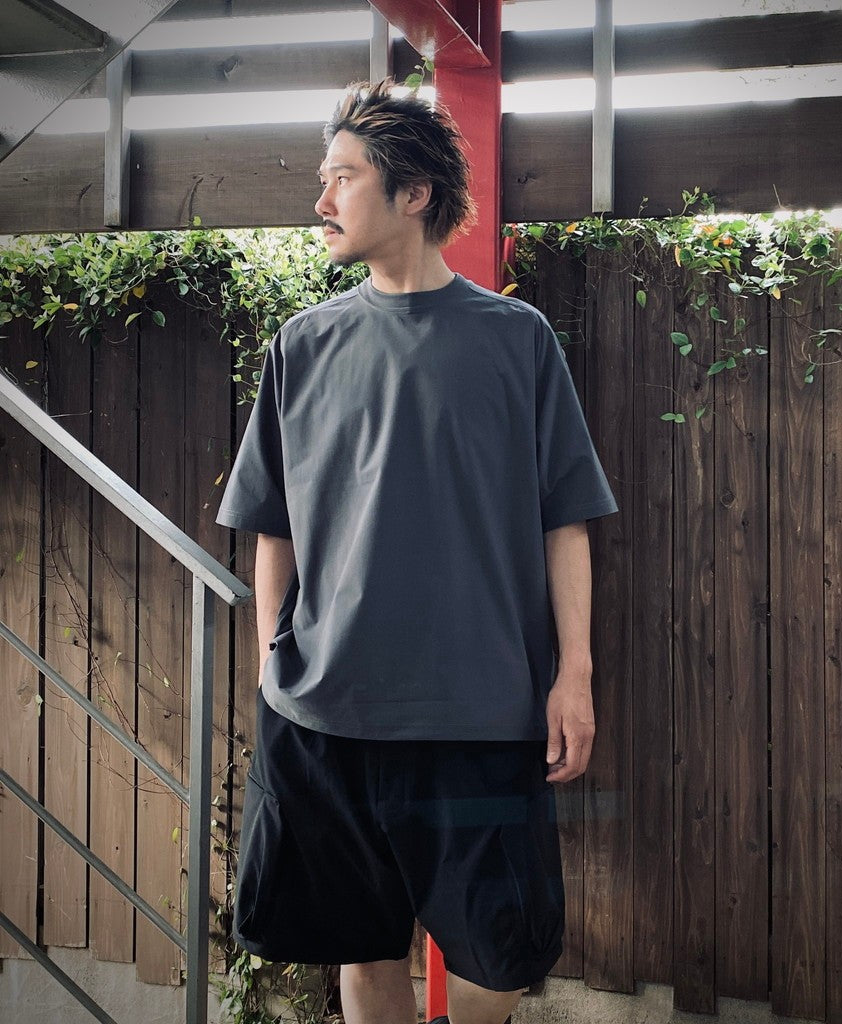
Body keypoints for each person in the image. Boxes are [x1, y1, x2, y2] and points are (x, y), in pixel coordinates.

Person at [214, 78, 619, 1024]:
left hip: (482, 712)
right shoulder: (301, 346)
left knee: (498, 955)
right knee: (360, 945)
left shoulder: (517, 340)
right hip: (328, 714)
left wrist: (574, 674)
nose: (321, 199)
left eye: (343, 177)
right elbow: (272, 525)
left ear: (415, 194)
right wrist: (273, 659)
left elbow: (566, 519)